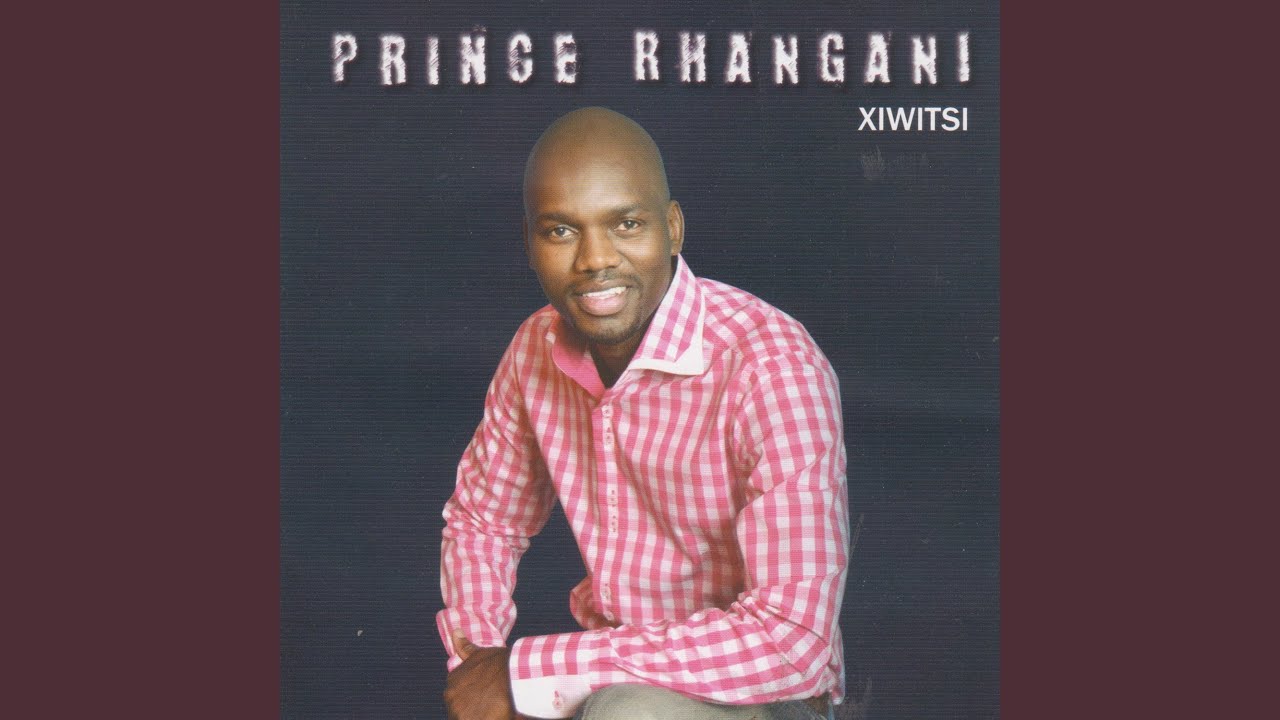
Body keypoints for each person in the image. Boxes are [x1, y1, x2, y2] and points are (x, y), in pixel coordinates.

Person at [439, 107, 850, 720]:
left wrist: (523, 672)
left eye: (626, 224)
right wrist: (479, 665)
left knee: (625, 712)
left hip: (760, 692)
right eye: (561, 231)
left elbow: (791, 642)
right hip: (607, 673)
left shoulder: (772, 368)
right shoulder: (534, 350)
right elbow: (483, 522)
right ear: (530, 244)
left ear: (673, 228)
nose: (595, 259)